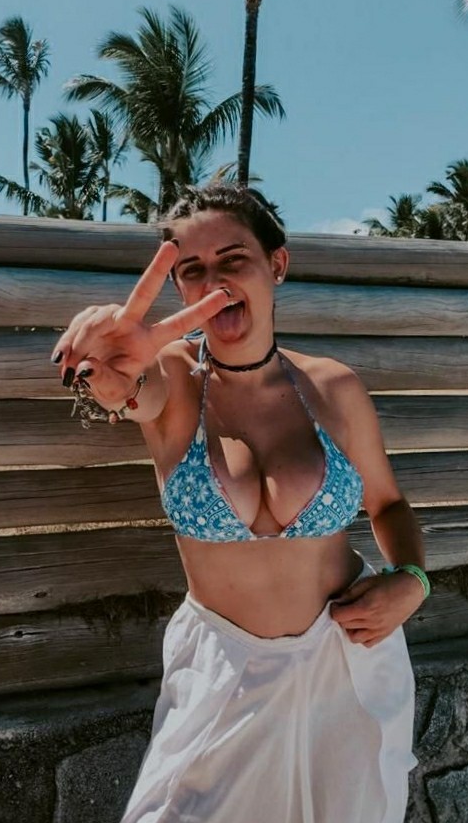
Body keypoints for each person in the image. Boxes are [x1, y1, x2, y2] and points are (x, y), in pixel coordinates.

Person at [52, 184, 428, 823]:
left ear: (275, 265)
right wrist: (108, 368)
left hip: (347, 661)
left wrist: (412, 581)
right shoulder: (172, 377)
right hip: (221, 672)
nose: (214, 283)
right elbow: (132, 389)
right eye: (192, 271)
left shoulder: (334, 387)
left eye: (233, 260)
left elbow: (388, 504)